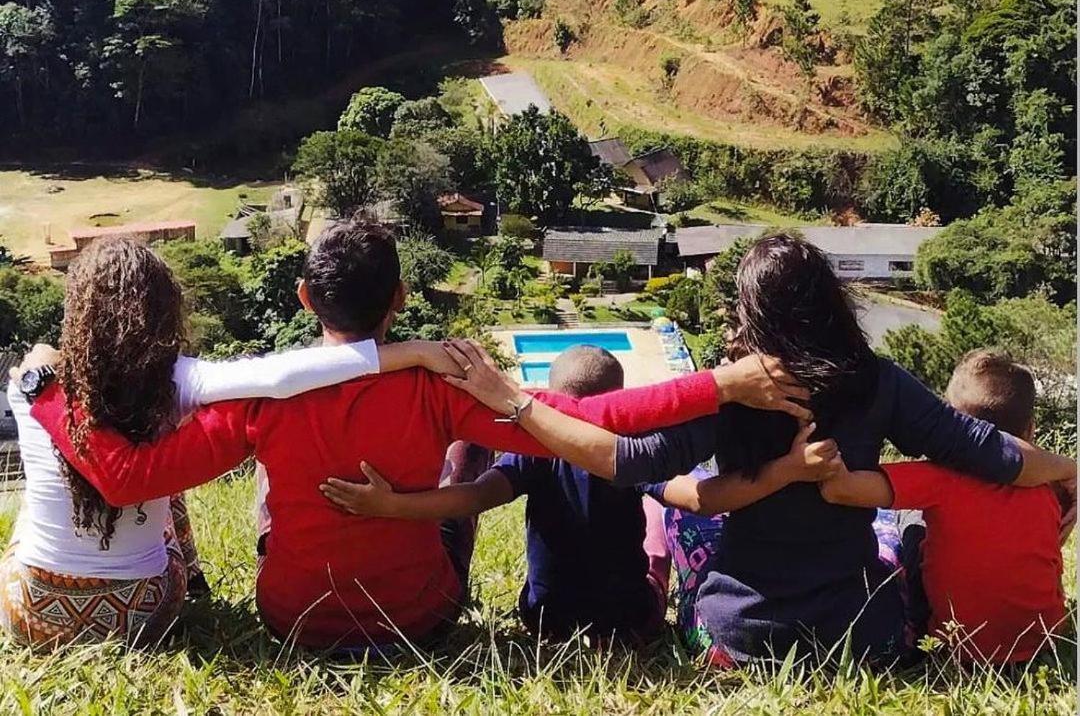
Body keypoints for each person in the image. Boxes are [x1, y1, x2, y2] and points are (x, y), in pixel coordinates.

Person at [28, 217, 810, 653]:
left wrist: (45, 395)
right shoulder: (444, 387)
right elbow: (593, 416)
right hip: (418, 616)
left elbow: (134, 477)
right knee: (469, 467)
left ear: (304, 297)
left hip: (295, 619)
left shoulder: (256, 401)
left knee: (282, 479)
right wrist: (722, 382)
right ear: (400, 298)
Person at [437, 234, 1077, 667]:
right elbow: (985, 450)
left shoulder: (740, 388)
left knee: (686, 525)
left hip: (736, 635)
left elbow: (622, 460)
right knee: (891, 537)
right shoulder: (877, 380)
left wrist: (516, 405)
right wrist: (1071, 469)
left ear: (754, 315)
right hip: (859, 633)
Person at [0, 235, 467, 650]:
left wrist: (40, 376)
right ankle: (194, 576)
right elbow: (280, 377)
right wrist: (408, 352)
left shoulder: (33, 386)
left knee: (28, 522)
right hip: (144, 612)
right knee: (166, 475)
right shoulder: (178, 383)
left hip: (34, 615)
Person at [322, 343, 844, 645]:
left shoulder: (533, 450)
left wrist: (391, 505)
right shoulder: (630, 448)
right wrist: (787, 469)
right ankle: (657, 579)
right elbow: (701, 499)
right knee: (661, 517)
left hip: (545, 620)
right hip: (630, 623)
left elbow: (472, 499)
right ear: (614, 401)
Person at [820, 349, 1071, 664]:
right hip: (1042, 641)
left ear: (950, 426)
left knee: (909, 520)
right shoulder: (1051, 484)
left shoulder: (938, 478)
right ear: (1030, 429)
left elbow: (841, 490)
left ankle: (913, 618)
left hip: (955, 647)